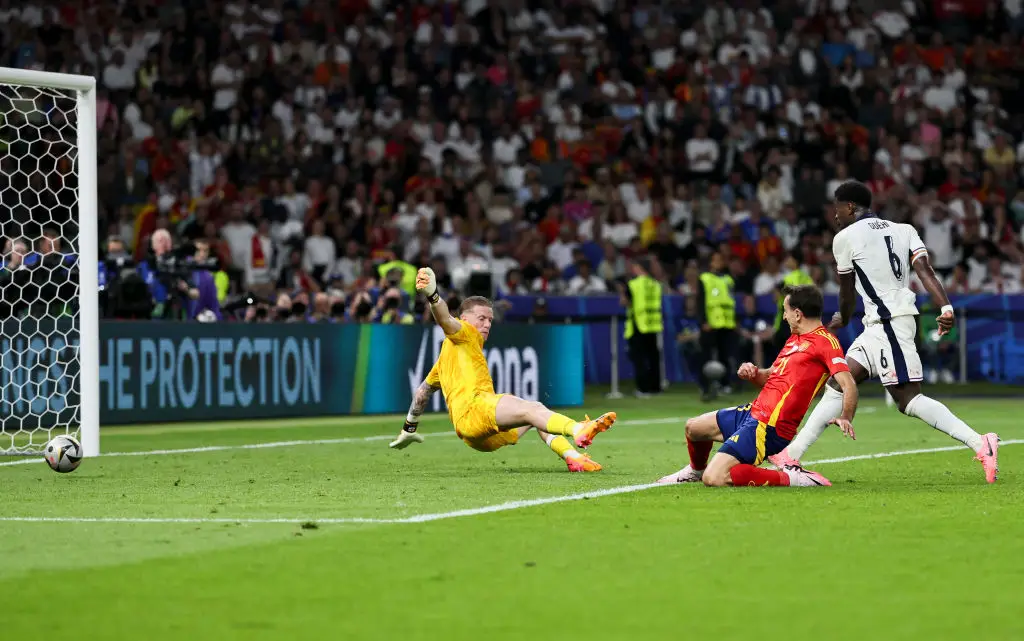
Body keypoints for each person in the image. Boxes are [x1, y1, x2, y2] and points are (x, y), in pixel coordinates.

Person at [769, 181, 999, 483]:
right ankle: (791, 456)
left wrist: (844, 316)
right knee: (840, 383)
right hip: (880, 324)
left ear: (850, 206)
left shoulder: (845, 237)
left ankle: (980, 443)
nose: (835, 214)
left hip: (889, 323)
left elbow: (847, 292)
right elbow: (924, 270)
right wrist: (946, 307)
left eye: (838, 207)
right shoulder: (904, 229)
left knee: (908, 400)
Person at [390, 267, 617, 472]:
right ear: (465, 319)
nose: (487, 324)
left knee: (534, 416)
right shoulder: (465, 332)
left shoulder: (445, 359)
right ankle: (578, 429)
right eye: (482, 318)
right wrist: (433, 295)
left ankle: (573, 457)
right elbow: (445, 320)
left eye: (490, 319)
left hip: (477, 439)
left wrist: (409, 429)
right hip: (476, 410)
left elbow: (422, 392)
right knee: (533, 408)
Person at [656, 284, 858, 487]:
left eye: (785, 311)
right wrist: (752, 373)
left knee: (715, 477)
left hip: (770, 427)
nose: (784, 317)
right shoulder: (794, 339)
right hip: (753, 413)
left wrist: (846, 416)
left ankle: (791, 478)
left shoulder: (826, 343)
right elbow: (770, 376)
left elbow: (848, 384)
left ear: (797, 314)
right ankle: (695, 471)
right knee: (693, 428)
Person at [695, 251, 737, 401]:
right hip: (710, 324)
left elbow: (732, 302)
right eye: (716, 259)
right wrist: (703, 321)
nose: (719, 262)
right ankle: (705, 386)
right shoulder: (705, 278)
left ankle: (724, 384)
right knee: (705, 356)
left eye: (721, 259)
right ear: (710, 262)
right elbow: (700, 301)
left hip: (726, 323)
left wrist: (734, 320)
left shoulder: (728, 279)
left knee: (725, 356)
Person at [621, 257, 664, 397]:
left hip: (638, 325)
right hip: (653, 325)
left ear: (639, 268)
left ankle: (643, 388)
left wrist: (621, 292)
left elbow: (624, 302)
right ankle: (655, 387)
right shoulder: (655, 284)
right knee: (653, 357)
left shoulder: (633, 284)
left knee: (639, 358)